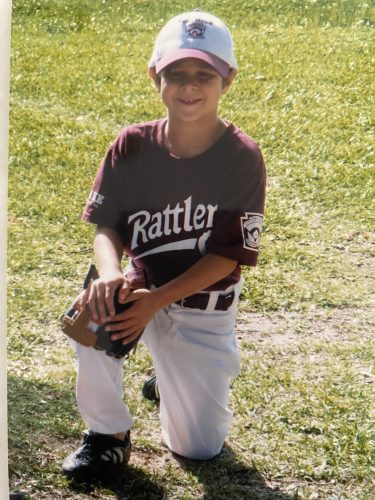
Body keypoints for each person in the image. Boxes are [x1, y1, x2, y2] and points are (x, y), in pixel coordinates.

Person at [62, 10, 266, 483]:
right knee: (91, 308)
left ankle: (169, 377)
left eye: (203, 74)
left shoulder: (240, 156)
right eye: (176, 73)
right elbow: (106, 227)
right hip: (140, 286)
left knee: (196, 448)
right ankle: (107, 436)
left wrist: (155, 303)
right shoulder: (132, 145)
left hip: (201, 305)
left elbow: (226, 257)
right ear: (156, 75)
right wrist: (112, 274)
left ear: (227, 79)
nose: (189, 86)